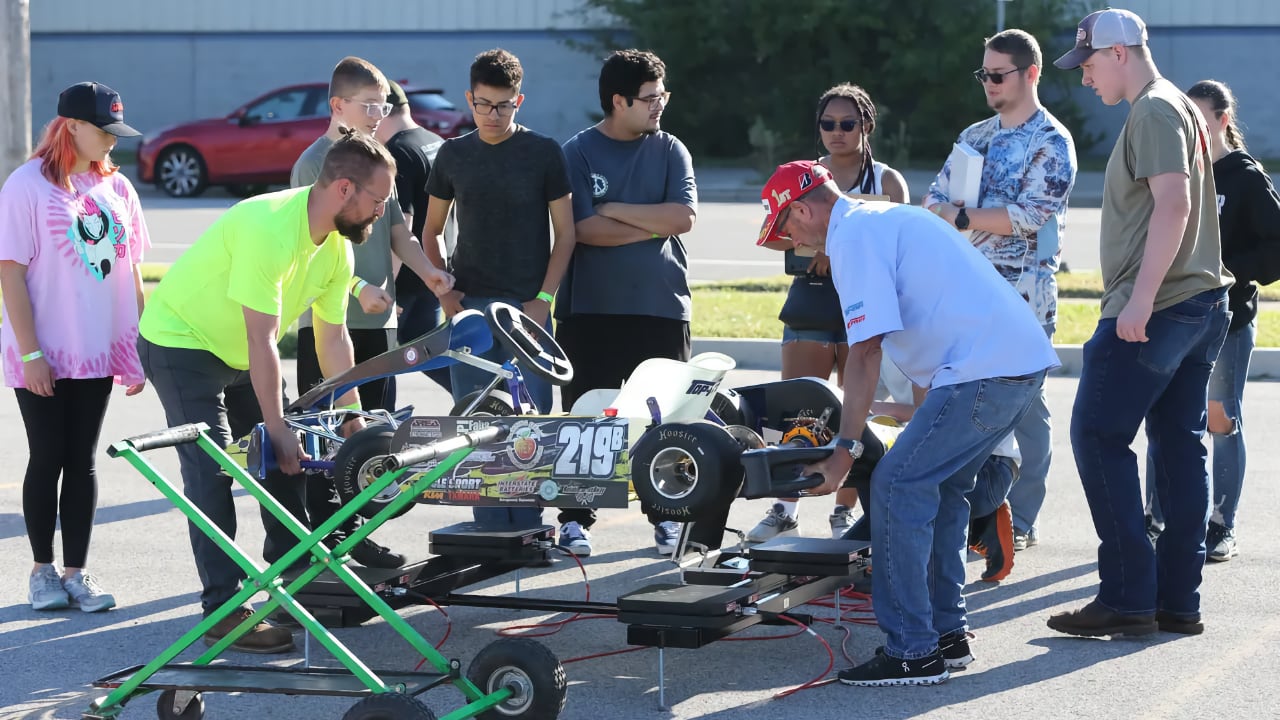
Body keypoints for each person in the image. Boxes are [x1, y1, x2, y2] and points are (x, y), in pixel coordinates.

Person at [139, 133, 451, 653]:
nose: (381, 212)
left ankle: (295, 579)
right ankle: (222, 609)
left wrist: (352, 415)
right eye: (377, 201)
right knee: (215, 470)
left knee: (286, 460)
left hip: (238, 351)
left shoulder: (335, 248)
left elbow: (333, 337)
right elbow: (264, 340)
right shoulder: (269, 229)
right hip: (182, 342)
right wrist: (277, 426)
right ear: (344, 188)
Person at [757, 160, 1057, 685]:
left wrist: (844, 448)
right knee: (939, 491)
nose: (794, 243)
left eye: (788, 230)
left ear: (802, 208)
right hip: (1011, 367)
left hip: (984, 372)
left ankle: (913, 651)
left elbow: (866, 352)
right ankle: (946, 637)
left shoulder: (853, 238)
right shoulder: (879, 219)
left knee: (897, 484)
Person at [1048, 8, 1231, 638]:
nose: (1085, 78)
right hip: (1202, 304)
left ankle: (1127, 596)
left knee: (1098, 438)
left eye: (1090, 64)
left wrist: (1139, 300)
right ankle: (1177, 602)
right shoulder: (1176, 103)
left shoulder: (1152, 109)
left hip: (1160, 307)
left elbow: (1173, 204)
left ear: (1119, 53)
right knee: (1179, 449)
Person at [925, 29, 1077, 552]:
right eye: (983, 74)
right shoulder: (976, 136)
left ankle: (1024, 519)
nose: (987, 82)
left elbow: (1033, 214)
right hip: (968, 295)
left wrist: (964, 217)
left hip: (1023, 299)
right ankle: (979, 514)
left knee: (1026, 411)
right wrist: (958, 216)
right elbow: (935, 198)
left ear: (1030, 74)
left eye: (997, 74)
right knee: (971, 405)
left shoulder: (1051, 141)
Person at [291, 57, 446, 569]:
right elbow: (308, 248)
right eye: (370, 105)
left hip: (381, 324)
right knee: (329, 434)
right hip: (329, 325)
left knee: (373, 437)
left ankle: (357, 533)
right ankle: (322, 538)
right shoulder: (315, 163)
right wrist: (357, 287)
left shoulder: (378, 160)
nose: (380, 113)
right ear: (338, 106)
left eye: (384, 104)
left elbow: (399, 229)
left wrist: (430, 275)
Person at [1, 82, 150, 613]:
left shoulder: (117, 188)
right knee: (48, 456)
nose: (113, 142)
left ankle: (76, 573)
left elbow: (132, 272)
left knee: (82, 459)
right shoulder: (25, 186)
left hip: (96, 350)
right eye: (105, 132)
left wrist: (139, 347)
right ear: (73, 128)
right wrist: (32, 353)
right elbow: (10, 274)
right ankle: (42, 572)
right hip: (42, 350)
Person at [750, 82, 910, 545]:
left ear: (866, 126)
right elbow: (775, 232)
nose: (837, 132)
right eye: (828, 124)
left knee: (854, 410)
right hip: (812, 298)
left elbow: (891, 233)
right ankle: (785, 508)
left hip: (863, 300)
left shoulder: (886, 179)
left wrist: (837, 246)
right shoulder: (804, 174)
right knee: (799, 405)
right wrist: (816, 242)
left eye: (848, 123)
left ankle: (847, 513)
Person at [422, 49, 575, 530]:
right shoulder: (453, 155)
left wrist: (544, 300)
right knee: (478, 424)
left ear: (519, 101)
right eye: (484, 104)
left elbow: (566, 233)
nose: (493, 115)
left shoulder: (544, 152)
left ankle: (528, 530)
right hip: (471, 308)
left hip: (529, 309)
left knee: (531, 425)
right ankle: (491, 530)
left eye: (503, 105)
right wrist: (446, 294)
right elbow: (429, 231)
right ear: (469, 99)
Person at [554, 49, 697, 557]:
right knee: (585, 421)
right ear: (618, 101)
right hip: (589, 311)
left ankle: (667, 515)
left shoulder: (671, 148)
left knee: (663, 420)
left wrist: (615, 208)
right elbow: (582, 229)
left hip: (659, 307)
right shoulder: (578, 152)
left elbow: (681, 218)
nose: (660, 105)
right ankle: (574, 519)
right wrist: (644, 221)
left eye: (663, 95)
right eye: (650, 97)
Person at [1144, 80, 1280, 561]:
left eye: (1201, 122)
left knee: (1220, 420)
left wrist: (1226, 269)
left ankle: (1221, 524)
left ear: (1223, 119)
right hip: (1172, 316)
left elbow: (1275, 249)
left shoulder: (1245, 177)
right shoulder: (1177, 172)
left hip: (1227, 320)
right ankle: (1154, 516)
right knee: (1163, 418)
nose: (1193, 133)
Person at [375, 80, 452, 393]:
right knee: (426, 350)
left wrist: (386, 289)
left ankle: (376, 427)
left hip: (406, 278)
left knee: (380, 361)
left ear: (385, 110)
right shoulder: (435, 141)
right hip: (432, 269)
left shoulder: (398, 152)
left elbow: (401, 224)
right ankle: (479, 396)